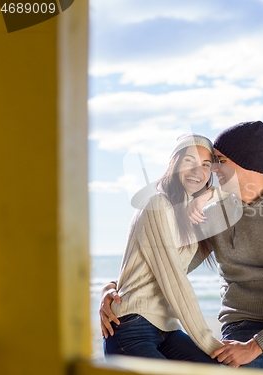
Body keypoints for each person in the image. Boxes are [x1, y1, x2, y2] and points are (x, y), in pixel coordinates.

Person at [101, 121, 263, 374]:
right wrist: (115, 288)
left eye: (219, 161)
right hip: (242, 328)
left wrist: (257, 346)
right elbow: (167, 264)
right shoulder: (216, 216)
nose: (212, 170)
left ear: (243, 164)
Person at [101, 133, 223, 363]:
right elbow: (174, 279)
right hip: (131, 325)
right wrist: (209, 342)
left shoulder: (189, 217)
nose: (198, 171)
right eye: (190, 161)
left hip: (166, 328)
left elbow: (240, 195)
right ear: (174, 163)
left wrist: (206, 195)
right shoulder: (157, 205)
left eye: (206, 165)